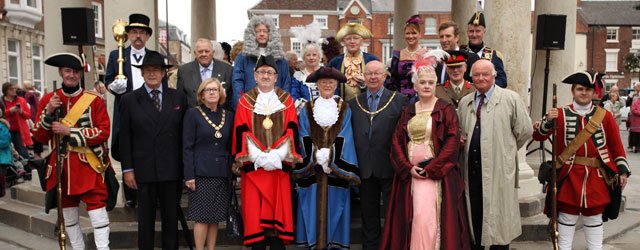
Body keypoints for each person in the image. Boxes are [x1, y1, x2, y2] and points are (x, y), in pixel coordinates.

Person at [381, 50, 470, 250]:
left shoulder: (445, 110)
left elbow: (451, 143)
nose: (427, 86)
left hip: (437, 176)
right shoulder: (408, 111)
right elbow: (396, 142)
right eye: (423, 82)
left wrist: (432, 168)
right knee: (414, 218)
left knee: (429, 218)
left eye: (431, 82)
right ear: (415, 86)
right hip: (411, 176)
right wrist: (407, 168)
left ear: (436, 84)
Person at [533, 71, 630, 250]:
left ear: (594, 92)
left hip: (596, 176)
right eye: (580, 89)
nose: (583, 93)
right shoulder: (559, 114)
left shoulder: (605, 116)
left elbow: (616, 146)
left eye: (588, 89)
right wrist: (548, 120)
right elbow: (537, 135)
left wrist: (622, 171)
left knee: (593, 217)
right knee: (567, 216)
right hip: (568, 174)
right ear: (573, 91)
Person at [33, 52, 114, 250]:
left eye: (75, 71)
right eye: (67, 71)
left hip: (89, 165)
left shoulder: (93, 100)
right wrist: (49, 112)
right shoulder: (48, 100)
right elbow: (39, 136)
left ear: (80, 74)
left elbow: (104, 131)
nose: (71, 75)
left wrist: (71, 131)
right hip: (62, 168)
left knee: (98, 215)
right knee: (69, 217)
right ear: (61, 72)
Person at [458, 60, 532, 249]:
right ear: (471, 78)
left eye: (485, 74)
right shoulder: (465, 102)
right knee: (475, 220)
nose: (481, 78)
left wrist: (504, 151)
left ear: (494, 75)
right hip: (472, 173)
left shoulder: (510, 99)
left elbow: (524, 131)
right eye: (476, 75)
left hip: (498, 171)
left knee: (499, 225)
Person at [118, 51, 187, 250]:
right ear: (141, 73)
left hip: (171, 169)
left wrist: (185, 170)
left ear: (164, 73)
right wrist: (127, 169)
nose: (152, 74)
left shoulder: (178, 98)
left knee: (170, 221)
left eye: (156, 70)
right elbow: (125, 139)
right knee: (145, 222)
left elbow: (184, 135)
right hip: (143, 170)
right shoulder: (130, 100)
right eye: (147, 70)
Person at [232, 54, 302, 249]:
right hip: (255, 169)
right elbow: (240, 130)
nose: (265, 76)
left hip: (278, 169)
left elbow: (292, 129)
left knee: (277, 225)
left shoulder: (286, 100)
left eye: (269, 72)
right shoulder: (245, 101)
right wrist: (259, 157)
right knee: (256, 220)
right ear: (254, 76)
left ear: (276, 77)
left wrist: (276, 155)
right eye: (261, 72)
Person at [293, 67, 359, 249]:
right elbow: (303, 135)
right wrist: (315, 155)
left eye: (331, 82)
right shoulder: (307, 108)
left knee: (336, 213)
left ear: (336, 85)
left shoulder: (345, 108)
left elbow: (347, 136)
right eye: (323, 82)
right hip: (313, 171)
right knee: (310, 213)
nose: (327, 85)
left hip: (335, 172)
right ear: (317, 85)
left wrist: (331, 156)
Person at [348, 61, 407, 250]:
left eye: (377, 74)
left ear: (385, 76)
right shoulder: (354, 103)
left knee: (392, 215)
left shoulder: (399, 100)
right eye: (369, 74)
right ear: (364, 77)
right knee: (369, 216)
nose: (373, 77)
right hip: (365, 168)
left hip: (390, 167)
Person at [105, 13, 154, 207]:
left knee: (149, 149)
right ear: (128, 35)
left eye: (142, 32)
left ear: (148, 36)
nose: (138, 36)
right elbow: (108, 79)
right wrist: (113, 87)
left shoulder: (153, 57)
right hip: (127, 110)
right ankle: (131, 195)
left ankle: (151, 191)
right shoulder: (116, 55)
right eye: (134, 32)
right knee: (128, 149)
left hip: (150, 111)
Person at [183, 78, 234, 250]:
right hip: (201, 174)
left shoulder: (228, 115)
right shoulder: (193, 114)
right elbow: (187, 147)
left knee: (215, 217)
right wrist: (189, 175)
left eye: (215, 89)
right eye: (208, 90)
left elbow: (230, 146)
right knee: (202, 217)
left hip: (222, 173)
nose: (212, 92)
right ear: (201, 94)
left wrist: (233, 172)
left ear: (220, 93)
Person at [231, 16, 291, 110]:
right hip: (249, 107)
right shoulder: (243, 57)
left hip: (275, 107)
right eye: (258, 31)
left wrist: (282, 104)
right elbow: (237, 82)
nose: (262, 34)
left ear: (270, 33)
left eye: (265, 31)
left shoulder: (281, 59)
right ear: (252, 34)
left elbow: (286, 83)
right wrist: (242, 105)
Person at [328, 23, 380, 101]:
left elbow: (381, 85)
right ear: (343, 42)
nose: (352, 41)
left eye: (356, 38)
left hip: (366, 107)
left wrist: (366, 83)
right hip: (341, 108)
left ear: (362, 41)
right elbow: (329, 85)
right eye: (348, 38)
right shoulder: (334, 62)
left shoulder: (372, 60)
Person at [178, 38, 234, 108]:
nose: (204, 54)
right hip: (194, 117)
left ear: (213, 52)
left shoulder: (227, 70)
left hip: (220, 116)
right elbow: (180, 99)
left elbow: (231, 98)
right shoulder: (184, 71)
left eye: (207, 51)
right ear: (195, 53)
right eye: (200, 51)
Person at [385, 15, 427, 97]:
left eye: (414, 33)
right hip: (401, 99)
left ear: (420, 35)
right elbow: (393, 81)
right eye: (408, 33)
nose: (410, 36)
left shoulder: (426, 55)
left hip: (421, 98)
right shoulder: (397, 56)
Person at [289, 21, 325, 107]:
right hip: (305, 116)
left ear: (319, 56)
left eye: (314, 55)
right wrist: (308, 109)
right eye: (308, 55)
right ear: (304, 57)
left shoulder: (327, 73)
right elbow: (294, 96)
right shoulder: (298, 76)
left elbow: (335, 93)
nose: (311, 57)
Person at [466, 12, 507, 88]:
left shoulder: (494, 56)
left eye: (478, 31)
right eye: (471, 31)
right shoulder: (462, 54)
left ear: (484, 32)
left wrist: (486, 83)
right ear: (467, 32)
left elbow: (503, 81)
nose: (474, 35)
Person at [2, 82, 32, 160]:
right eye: (12, 89)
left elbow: (28, 115)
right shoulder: (1, 101)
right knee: (8, 152)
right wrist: (9, 111)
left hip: (20, 131)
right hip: (5, 131)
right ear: (6, 91)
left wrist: (21, 112)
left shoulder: (21, 100)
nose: (15, 90)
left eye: (15, 88)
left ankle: (26, 170)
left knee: (23, 153)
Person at [0, 106, 11, 198]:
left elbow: (4, 141)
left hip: (2, 157)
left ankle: (2, 191)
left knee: (1, 175)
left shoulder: (2, 127)